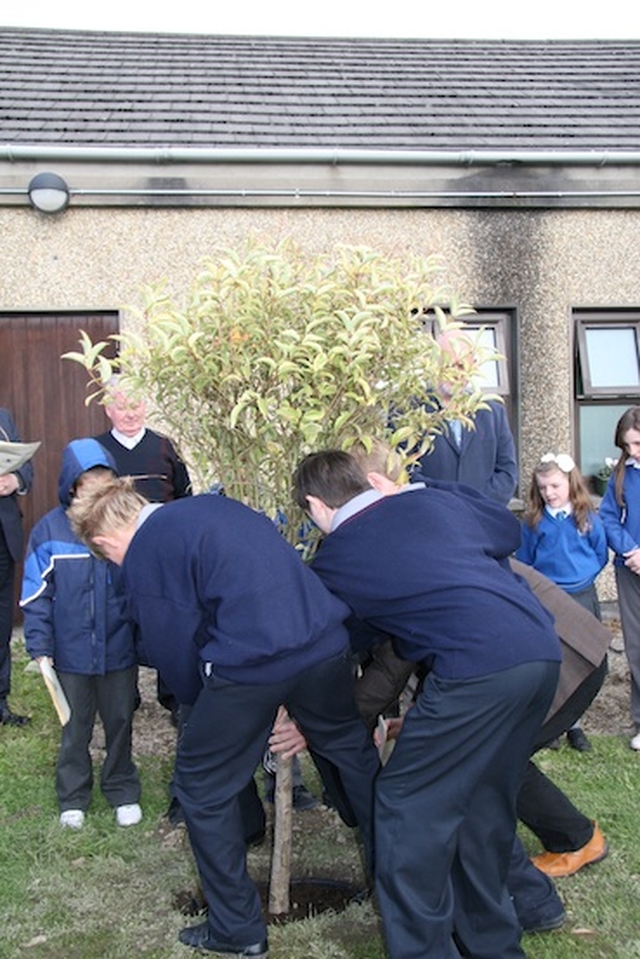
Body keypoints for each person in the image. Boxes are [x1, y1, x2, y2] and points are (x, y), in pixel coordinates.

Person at [68, 478, 379, 958]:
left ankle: (237, 930)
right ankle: (396, 883)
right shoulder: (214, 509)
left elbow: (173, 648)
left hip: (251, 664)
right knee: (351, 752)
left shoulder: (147, 550)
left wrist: (200, 707)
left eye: (106, 557)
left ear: (104, 541)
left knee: (200, 787)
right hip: (323, 644)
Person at [294, 450, 561, 959]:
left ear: (314, 505)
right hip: (540, 654)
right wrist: (424, 492)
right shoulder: (434, 503)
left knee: (403, 811)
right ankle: (495, 947)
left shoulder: (336, 560)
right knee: (482, 806)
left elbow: (333, 637)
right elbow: (506, 534)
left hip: (477, 671)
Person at [351, 440, 609, 891]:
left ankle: (573, 841)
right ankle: (568, 841)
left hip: (567, 657)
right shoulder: (427, 510)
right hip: (547, 649)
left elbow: (397, 655)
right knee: (495, 753)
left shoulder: (408, 532)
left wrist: (339, 717)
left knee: (493, 757)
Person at [20, 439, 141, 829]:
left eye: (104, 479)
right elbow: (36, 595)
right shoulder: (48, 531)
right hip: (71, 655)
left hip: (118, 650)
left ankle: (122, 788)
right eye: (88, 481)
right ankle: (73, 796)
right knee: (74, 726)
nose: (96, 487)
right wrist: (40, 647)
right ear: (72, 485)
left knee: (121, 720)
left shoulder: (127, 525)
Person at [516, 451, 608, 751]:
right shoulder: (534, 522)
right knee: (554, 661)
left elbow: (599, 554)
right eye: (543, 488)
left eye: (555, 486)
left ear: (570, 483)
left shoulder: (588, 517)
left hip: (581, 596)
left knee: (582, 661)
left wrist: (581, 577)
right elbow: (526, 562)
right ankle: (553, 723)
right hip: (549, 599)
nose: (549, 493)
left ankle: (575, 725)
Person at [411, 330, 518, 504]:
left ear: (473, 366)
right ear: (433, 363)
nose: (455, 373)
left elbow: (507, 474)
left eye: (461, 366)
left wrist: (475, 504)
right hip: (430, 519)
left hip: (481, 519)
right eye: (448, 365)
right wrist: (449, 504)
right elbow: (404, 471)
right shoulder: (408, 412)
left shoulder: (493, 413)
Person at [599, 406, 640, 751]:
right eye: (627, 446)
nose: (632, 452)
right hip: (630, 571)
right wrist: (631, 552)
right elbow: (609, 519)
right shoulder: (621, 475)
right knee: (637, 646)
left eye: (637, 444)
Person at [0, 407, 34, 726]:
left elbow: (27, 469)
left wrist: (14, 480)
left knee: (1, 622)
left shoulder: (4, 417)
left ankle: (0, 702)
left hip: (2, 536)